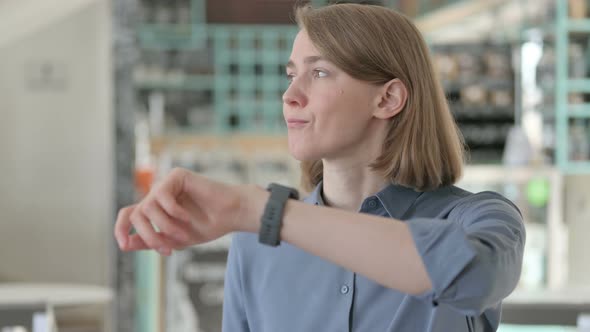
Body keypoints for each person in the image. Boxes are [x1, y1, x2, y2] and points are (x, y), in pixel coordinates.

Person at [114, 3, 525, 332]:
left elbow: (469, 275)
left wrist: (263, 212)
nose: (290, 95)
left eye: (320, 72)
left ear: (387, 99)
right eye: (292, 74)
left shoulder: (479, 220)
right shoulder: (253, 246)